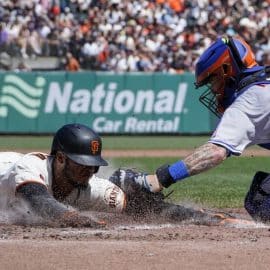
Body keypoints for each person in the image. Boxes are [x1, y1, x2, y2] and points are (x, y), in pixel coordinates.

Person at [140, 35, 270, 224]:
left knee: (261, 198)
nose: (215, 90)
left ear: (226, 69)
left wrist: (160, 179)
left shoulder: (251, 98)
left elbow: (215, 152)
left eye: (213, 81)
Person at [0, 123, 126, 227]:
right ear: (60, 158)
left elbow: (129, 203)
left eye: (93, 165)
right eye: (82, 164)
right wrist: (72, 218)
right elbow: (38, 200)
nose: (90, 170)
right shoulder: (31, 167)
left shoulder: (92, 187)